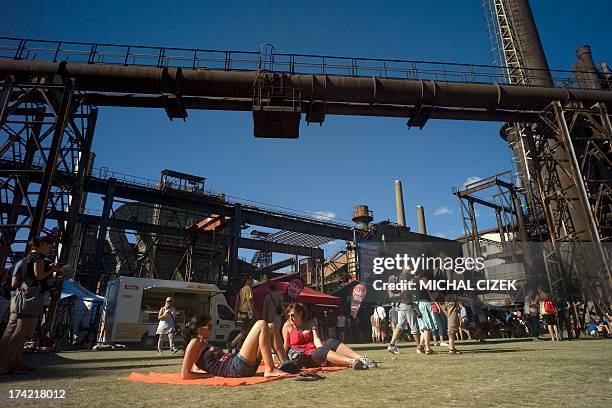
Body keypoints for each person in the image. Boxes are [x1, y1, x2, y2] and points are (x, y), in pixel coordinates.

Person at [0, 236, 65, 375]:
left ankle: (14, 363)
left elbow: (40, 281)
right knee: (19, 332)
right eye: (49, 245)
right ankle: (6, 365)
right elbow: (39, 276)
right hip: (28, 296)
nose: (51, 248)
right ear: (41, 244)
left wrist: (54, 277)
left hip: (28, 295)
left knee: (20, 333)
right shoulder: (37, 257)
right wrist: (51, 270)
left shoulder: (28, 258)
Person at [181, 314, 298, 379]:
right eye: (209, 326)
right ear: (200, 330)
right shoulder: (194, 343)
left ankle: (285, 363)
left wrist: (207, 371)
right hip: (234, 367)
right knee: (261, 324)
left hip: (238, 364)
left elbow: (197, 368)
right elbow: (185, 374)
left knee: (271, 326)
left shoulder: (203, 343)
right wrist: (211, 375)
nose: (212, 328)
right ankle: (270, 369)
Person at [282, 302, 376, 370]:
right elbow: (285, 346)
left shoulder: (310, 323)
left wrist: (322, 350)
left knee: (331, 341)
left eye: (293, 315)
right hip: (304, 357)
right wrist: (283, 362)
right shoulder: (287, 326)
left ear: (300, 314)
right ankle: (352, 362)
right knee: (320, 351)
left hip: (315, 351)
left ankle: (362, 359)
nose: (290, 318)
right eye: (289, 316)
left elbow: (316, 339)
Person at [387, 267, 421, 355]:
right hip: (407, 304)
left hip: (400, 304)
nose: (411, 271)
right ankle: (419, 347)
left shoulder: (397, 278)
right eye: (409, 270)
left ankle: (391, 345)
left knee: (400, 325)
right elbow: (404, 290)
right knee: (414, 326)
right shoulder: (404, 277)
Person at [229, 276, 254, 352]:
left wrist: (236, 315)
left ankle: (237, 349)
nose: (252, 281)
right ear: (247, 280)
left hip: (240, 313)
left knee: (243, 331)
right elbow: (249, 300)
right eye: (251, 280)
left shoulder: (240, 290)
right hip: (247, 312)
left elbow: (237, 304)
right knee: (245, 332)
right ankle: (232, 344)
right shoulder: (248, 288)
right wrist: (251, 311)